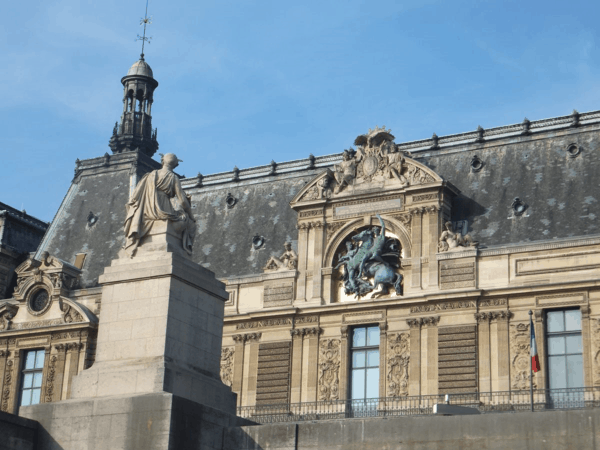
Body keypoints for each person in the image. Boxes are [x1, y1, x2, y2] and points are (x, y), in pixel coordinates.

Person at [123, 153, 196, 257]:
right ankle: (185, 249)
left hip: (147, 211)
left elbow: (135, 197)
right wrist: (191, 216)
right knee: (185, 219)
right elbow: (183, 201)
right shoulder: (173, 177)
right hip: (164, 209)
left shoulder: (151, 175)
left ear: (163, 161)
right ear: (175, 165)